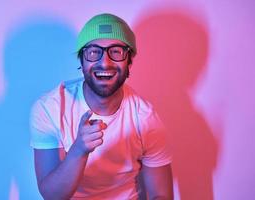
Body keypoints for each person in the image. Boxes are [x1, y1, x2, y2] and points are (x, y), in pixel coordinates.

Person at [30, 13, 173, 200]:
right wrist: (78, 151)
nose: (105, 62)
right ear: (81, 60)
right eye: (93, 52)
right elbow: (52, 195)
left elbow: (160, 195)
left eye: (116, 51)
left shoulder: (145, 118)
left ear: (129, 60)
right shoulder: (51, 108)